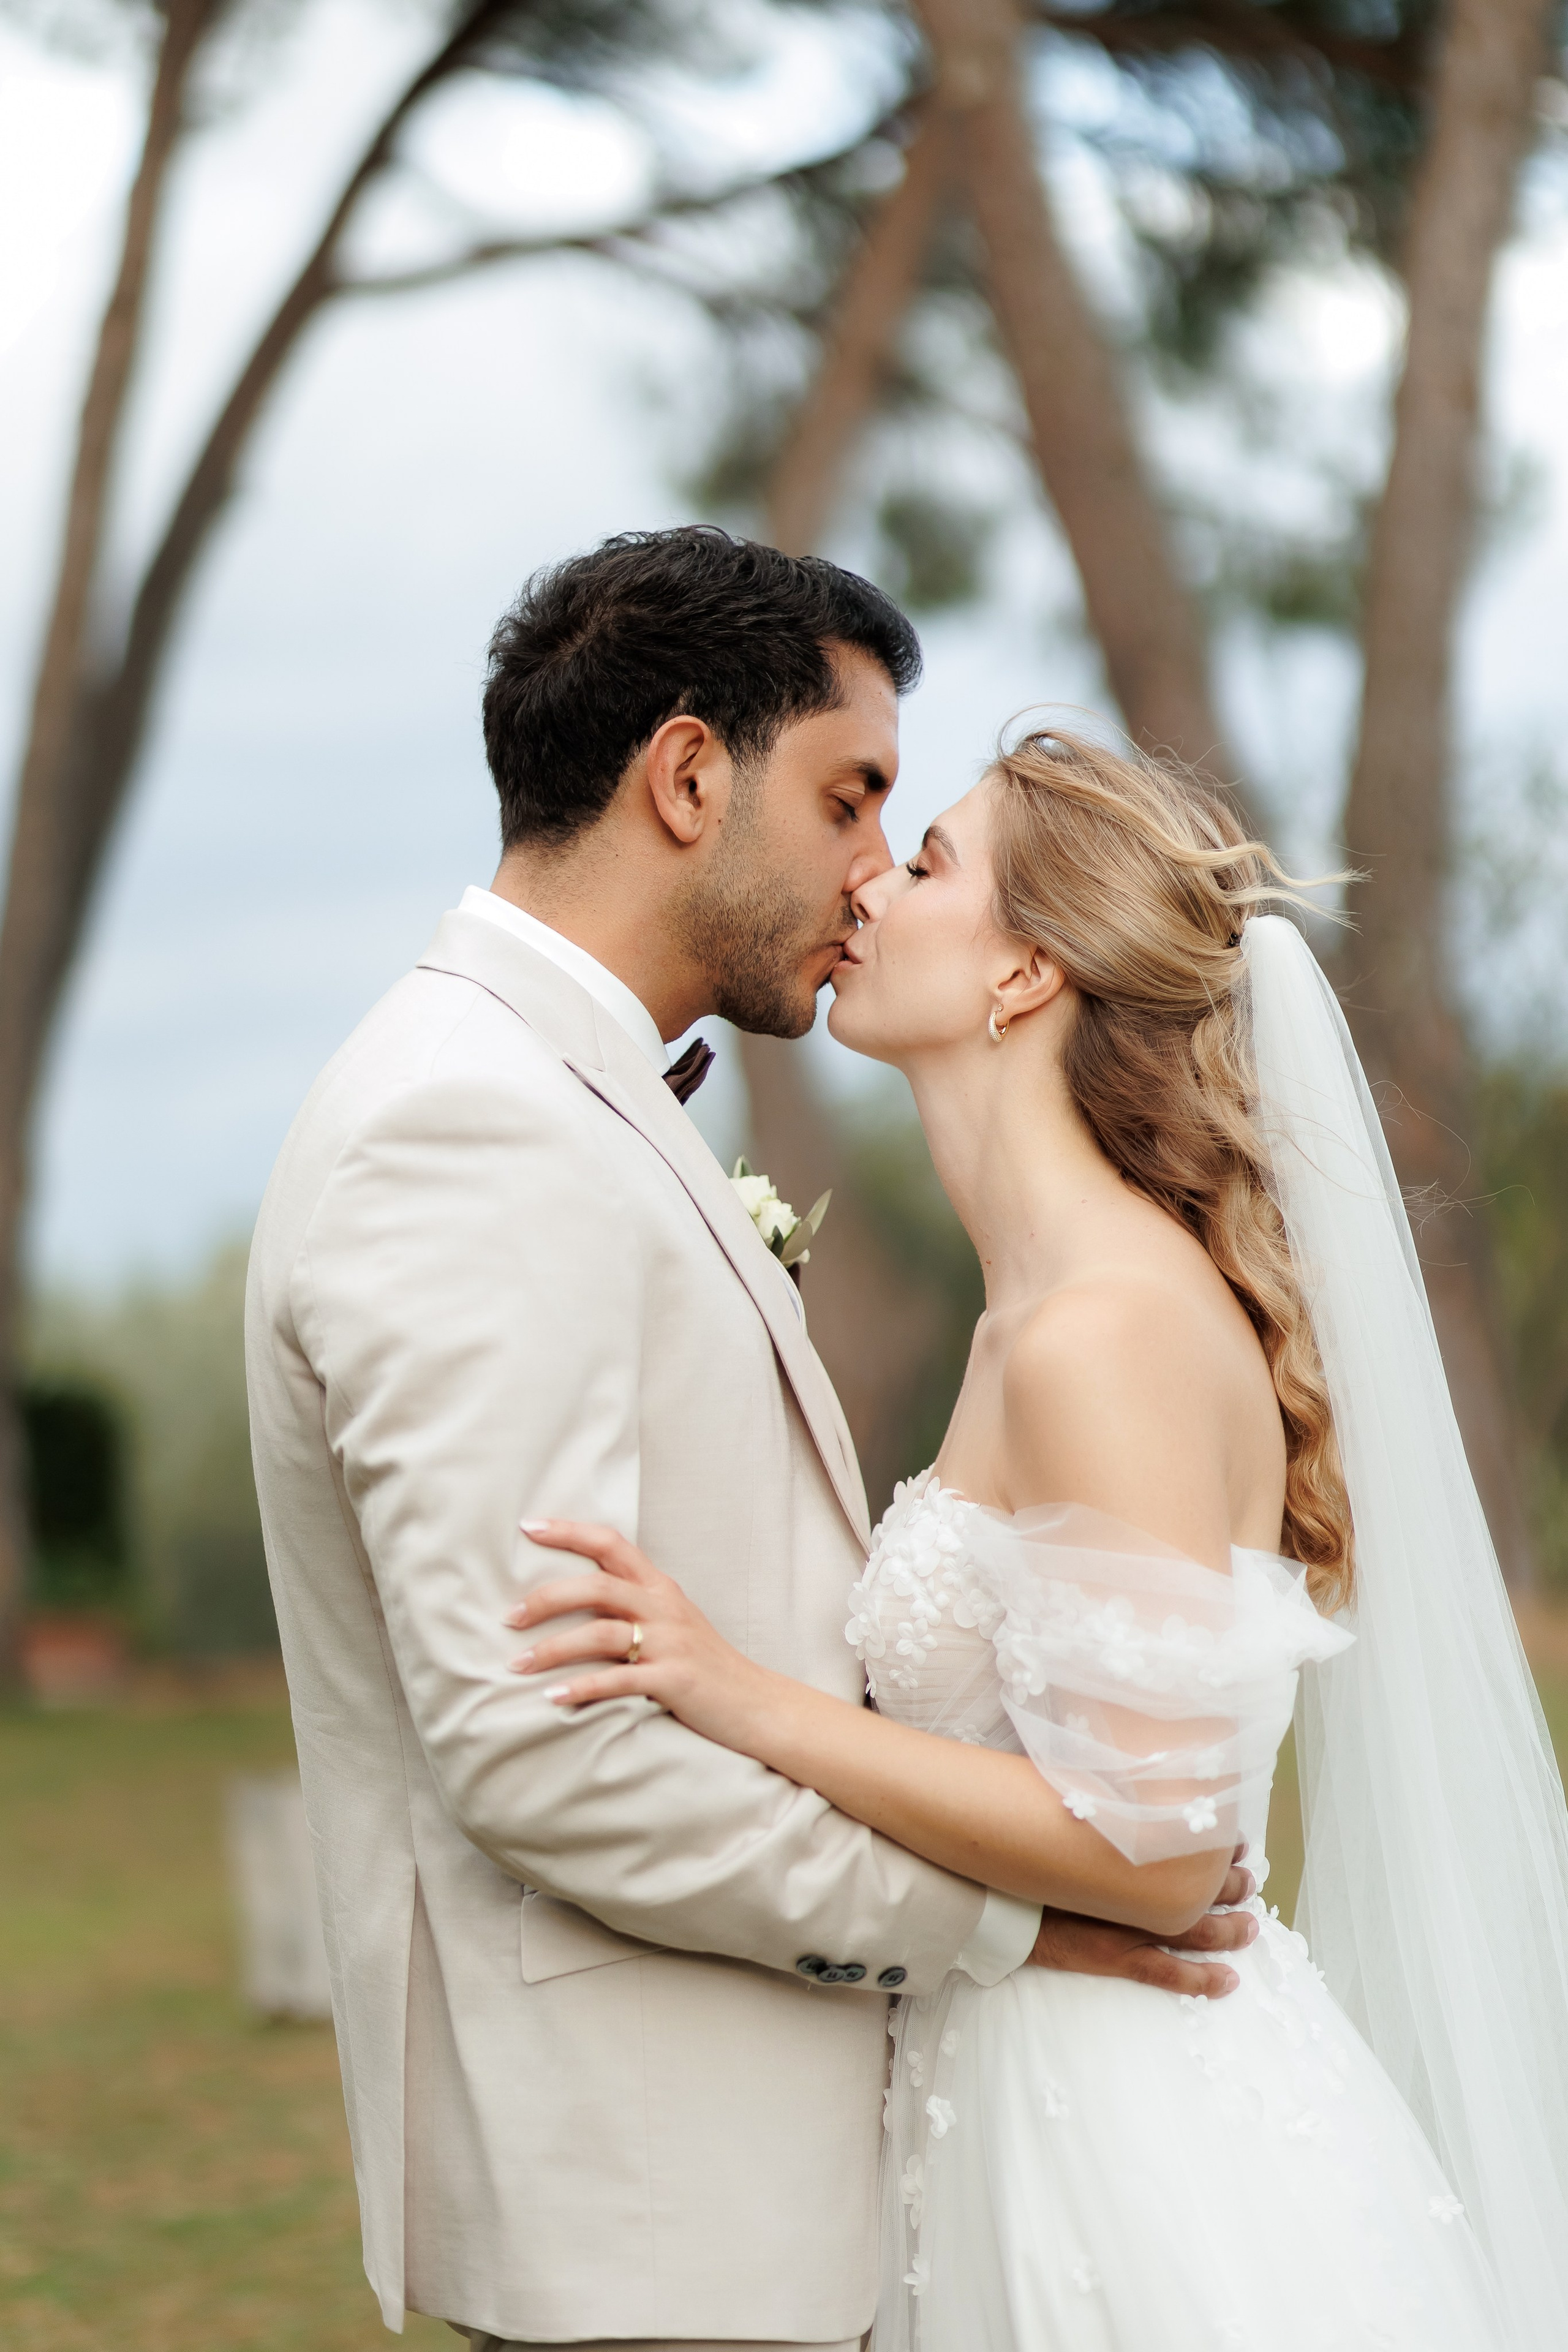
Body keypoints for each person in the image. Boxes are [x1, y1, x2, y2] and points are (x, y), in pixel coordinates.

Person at [244, 530, 1256, 2352]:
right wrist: (1010, 1927)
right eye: (851, 797)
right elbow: (550, 1758)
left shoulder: (565, 1106)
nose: (875, 867)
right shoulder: (466, 1130)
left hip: (794, 2193)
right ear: (690, 776)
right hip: (660, 2215)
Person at [510, 729, 1568, 2351]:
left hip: (1136, 2156)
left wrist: (740, 1697)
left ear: (1024, 974)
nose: (870, 882)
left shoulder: (1101, 1333)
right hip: (1007, 2096)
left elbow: (1160, 1855)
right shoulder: (1033, 1317)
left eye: (929, 860)